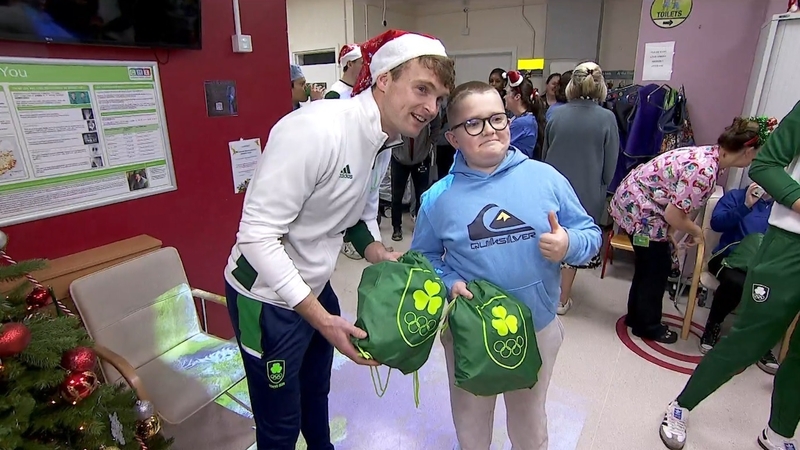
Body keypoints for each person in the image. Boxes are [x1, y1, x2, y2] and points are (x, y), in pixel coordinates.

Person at [224, 30, 454, 449]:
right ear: (383, 78)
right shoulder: (314, 130)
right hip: (266, 300)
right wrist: (321, 318)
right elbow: (256, 238)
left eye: (438, 97)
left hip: (314, 287)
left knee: (316, 395)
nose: (431, 108)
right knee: (279, 425)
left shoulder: (384, 141)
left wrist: (377, 253)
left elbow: (353, 216)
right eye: (422, 89)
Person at [411, 81, 602, 450]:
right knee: (471, 424)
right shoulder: (438, 198)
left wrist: (568, 244)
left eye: (498, 118)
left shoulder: (545, 178)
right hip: (470, 333)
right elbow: (423, 258)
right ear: (453, 138)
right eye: (474, 123)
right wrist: (448, 280)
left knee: (530, 425)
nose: (490, 130)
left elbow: (590, 234)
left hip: (537, 327)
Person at [659, 109, 798, 450]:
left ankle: (779, 431)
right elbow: (765, 166)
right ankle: (682, 405)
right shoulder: (719, 179)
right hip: (788, 244)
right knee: (747, 342)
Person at [609, 117, 766, 344]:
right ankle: (648, 326)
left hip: (637, 205)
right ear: (748, 151)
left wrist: (672, 233)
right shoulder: (705, 170)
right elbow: (674, 214)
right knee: (656, 268)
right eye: (756, 154)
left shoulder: (710, 155)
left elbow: (682, 204)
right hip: (640, 213)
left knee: (647, 267)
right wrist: (696, 232)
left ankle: (636, 318)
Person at [544, 62, 619, 315]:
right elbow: (610, 168)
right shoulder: (607, 118)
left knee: (549, 238)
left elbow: (545, 156)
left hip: (552, 188)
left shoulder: (554, 114)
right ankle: (562, 300)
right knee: (572, 244)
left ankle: (544, 291)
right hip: (587, 191)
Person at [700, 182, 779, 374]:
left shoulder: (781, 208)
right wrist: (745, 206)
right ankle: (713, 324)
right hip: (729, 259)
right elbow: (716, 223)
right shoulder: (736, 196)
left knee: (777, 286)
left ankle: (760, 341)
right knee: (738, 282)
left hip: (764, 265)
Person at [389, 113, 441, 241]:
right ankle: (396, 227)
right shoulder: (400, 106)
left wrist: (430, 143)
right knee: (397, 195)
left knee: (421, 195)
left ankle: (419, 227)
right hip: (399, 157)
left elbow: (436, 124)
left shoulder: (425, 108)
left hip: (421, 157)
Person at [504, 70, 543, 160]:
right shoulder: (523, 118)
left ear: (517, 96)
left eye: (507, 93)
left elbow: (501, 147)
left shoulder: (523, 123)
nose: (504, 97)